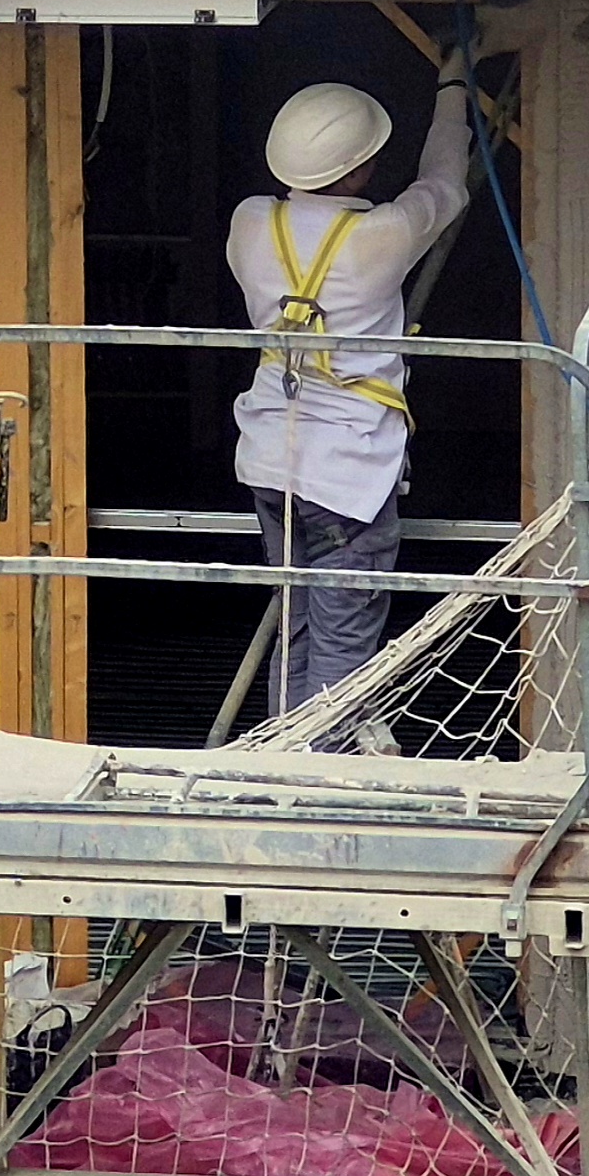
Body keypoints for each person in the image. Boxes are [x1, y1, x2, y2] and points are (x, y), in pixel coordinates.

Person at [226, 45, 473, 718]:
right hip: (348, 472)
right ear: (361, 166)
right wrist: (454, 85)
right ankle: (319, 782)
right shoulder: (382, 234)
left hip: (269, 458)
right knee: (342, 643)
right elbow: (446, 184)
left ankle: (282, 763)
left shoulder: (250, 222)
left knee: (296, 628)